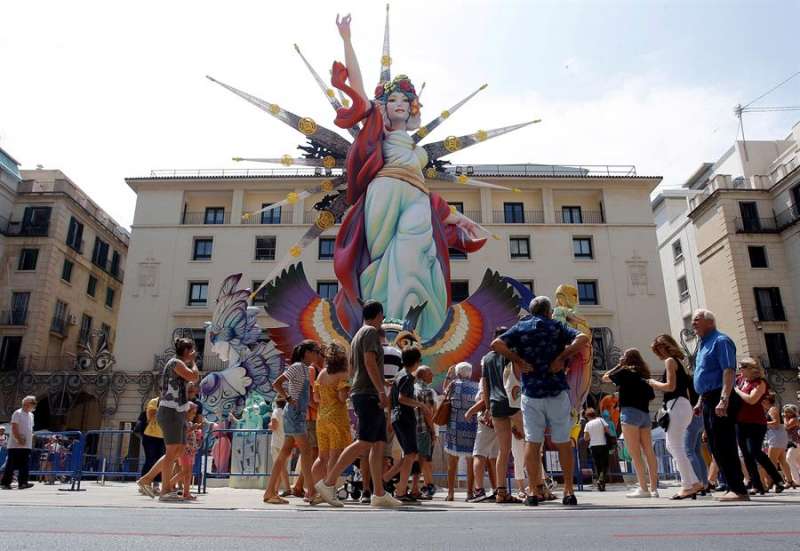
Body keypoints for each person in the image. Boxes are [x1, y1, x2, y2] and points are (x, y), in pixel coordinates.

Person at [491, 296, 590, 506]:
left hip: (531, 393)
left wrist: (518, 360)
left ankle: (533, 492)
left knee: (533, 442)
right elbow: (582, 338)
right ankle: (568, 491)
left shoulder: (520, 328)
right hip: (556, 390)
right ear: (548, 311)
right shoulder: (557, 327)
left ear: (531, 311)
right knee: (563, 441)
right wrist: (562, 357)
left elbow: (496, 344)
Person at [315, 300, 401, 508]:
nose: (382, 319)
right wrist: (381, 390)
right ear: (379, 314)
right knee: (364, 442)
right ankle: (328, 483)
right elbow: (370, 362)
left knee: (378, 444)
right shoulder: (370, 332)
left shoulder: (357, 335)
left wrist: (379, 384)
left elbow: (358, 367)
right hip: (368, 393)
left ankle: (379, 493)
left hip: (364, 391)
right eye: (382, 316)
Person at [691, 309, 748, 501]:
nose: (693, 323)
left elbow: (728, 370)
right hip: (708, 398)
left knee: (725, 444)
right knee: (715, 446)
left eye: (697, 319)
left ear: (710, 322)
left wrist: (724, 398)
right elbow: (705, 374)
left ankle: (738, 489)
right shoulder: (702, 344)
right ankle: (731, 485)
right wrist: (700, 400)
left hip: (720, 397)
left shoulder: (721, 341)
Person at [137, 338, 200, 501]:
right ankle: (164, 491)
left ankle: (146, 479)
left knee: (178, 451)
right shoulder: (175, 363)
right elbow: (194, 377)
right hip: (170, 411)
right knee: (172, 451)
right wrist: (193, 362)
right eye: (191, 350)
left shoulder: (180, 364)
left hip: (177, 411)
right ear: (186, 351)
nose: (193, 352)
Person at [263, 340, 321, 504]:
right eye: (316, 351)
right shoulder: (298, 367)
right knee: (306, 452)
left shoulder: (304, 369)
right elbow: (277, 383)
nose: (318, 355)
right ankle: (311, 492)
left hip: (297, 414)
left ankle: (270, 492)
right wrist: (288, 398)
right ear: (307, 353)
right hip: (295, 414)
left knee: (286, 453)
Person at [646, 334, 703, 499]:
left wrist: (653, 383)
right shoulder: (680, 362)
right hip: (684, 406)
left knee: (675, 447)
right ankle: (694, 482)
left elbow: (670, 387)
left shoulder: (670, 361)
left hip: (676, 406)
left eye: (658, 349)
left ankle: (687, 485)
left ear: (666, 346)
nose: (658, 353)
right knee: (674, 446)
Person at [603, 348, 659, 498]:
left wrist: (619, 365)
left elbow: (605, 377)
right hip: (644, 414)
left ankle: (643, 488)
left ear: (627, 359)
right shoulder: (644, 375)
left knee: (635, 453)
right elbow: (652, 396)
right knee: (649, 452)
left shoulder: (625, 372)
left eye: (623, 356)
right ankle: (654, 488)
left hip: (629, 413)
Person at [380, 347, 430, 501]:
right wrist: (421, 405)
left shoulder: (399, 374)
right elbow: (401, 398)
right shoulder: (408, 377)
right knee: (410, 454)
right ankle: (400, 490)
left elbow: (391, 397)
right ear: (416, 362)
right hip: (405, 418)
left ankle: (386, 479)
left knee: (409, 454)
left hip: (397, 417)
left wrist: (390, 418)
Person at [480, 326, 522, 503]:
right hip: (512, 403)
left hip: (495, 405)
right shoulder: (510, 355)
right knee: (532, 442)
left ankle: (501, 491)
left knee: (503, 450)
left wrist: (487, 408)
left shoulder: (487, 359)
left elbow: (485, 385)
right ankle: (537, 487)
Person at [734, 359, 783, 495]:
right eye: (739, 367)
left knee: (754, 451)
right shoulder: (740, 380)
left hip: (756, 423)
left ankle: (777, 478)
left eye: (742, 367)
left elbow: (752, 399)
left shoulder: (760, 383)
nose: (740, 369)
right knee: (746, 455)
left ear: (751, 369)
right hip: (740, 422)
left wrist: (737, 391)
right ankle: (756, 485)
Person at [312, 343, 352, 486]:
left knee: (322, 457)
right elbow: (342, 398)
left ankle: (312, 489)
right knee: (335, 455)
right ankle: (329, 487)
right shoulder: (343, 375)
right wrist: (348, 391)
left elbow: (316, 398)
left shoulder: (322, 373)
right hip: (337, 418)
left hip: (321, 417)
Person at [443, 362, 479, 501]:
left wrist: (448, 376)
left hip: (454, 426)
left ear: (458, 373)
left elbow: (445, 393)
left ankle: (451, 493)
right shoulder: (476, 386)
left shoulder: (453, 384)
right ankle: (469, 493)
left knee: (452, 461)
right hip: (471, 425)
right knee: (471, 460)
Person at [465, 388, 499, 502]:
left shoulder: (486, 379)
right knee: (494, 457)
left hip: (487, 420)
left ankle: (479, 490)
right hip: (500, 419)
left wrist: (470, 411)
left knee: (479, 454)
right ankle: (498, 489)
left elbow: (485, 400)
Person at [1, 396, 36, 490]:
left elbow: (30, 429)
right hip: (15, 444)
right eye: (32, 403)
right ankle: (5, 483)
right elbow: (14, 427)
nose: (34, 405)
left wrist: (31, 440)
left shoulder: (31, 415)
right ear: (26, 404)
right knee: (11, 464)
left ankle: (23, 483)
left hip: (26, 445)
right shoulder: (17, 413)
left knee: (25, 465)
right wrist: (19, 439)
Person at [413, 365, 437, 499]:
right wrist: (432, 431)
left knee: (411, 459)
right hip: (423, 429)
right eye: (430, 373)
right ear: (423, 375)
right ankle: (416, 488)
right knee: (422, 460)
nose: (433, 375)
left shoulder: (412, 388)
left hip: (411, 430)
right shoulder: (426, 391)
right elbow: (428, 413)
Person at [171, 402, 203, 500]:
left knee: (189, 472)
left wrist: (196, 432)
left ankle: (186, 492)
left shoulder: (189, 423)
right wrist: (192, 429)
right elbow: (182, 435)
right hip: (184, 450)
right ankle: (169, 484)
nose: (194, 415)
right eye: (192, 413)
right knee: (185, 471)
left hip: (191, 451)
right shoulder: (183, 423)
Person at [764, 393, 794, 488]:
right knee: (782, 461)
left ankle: (772, 483)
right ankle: (790, 481)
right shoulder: (772, 409)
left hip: (776, 437)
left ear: (767, 401)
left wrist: (763, 423)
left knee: (771, 462)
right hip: (779, 436)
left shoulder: (772, 409)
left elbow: (776, 423)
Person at [140, 395, 164, 495]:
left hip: (164, 437)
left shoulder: (173, 403)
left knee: (160, 461)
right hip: (150, 436)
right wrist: (163, 408)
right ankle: (145, 485)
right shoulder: (154, 402)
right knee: (150, 460)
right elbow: (150, 417)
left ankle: (156, 485)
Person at [583, 408, 611, 491]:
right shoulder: (601, 420)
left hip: (593, 446)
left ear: (588, 416)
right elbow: (607, 430)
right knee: (605, 464)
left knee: (598, 465)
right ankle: (601, 480)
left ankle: (600, 483)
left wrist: (592, 435)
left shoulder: (587, 424)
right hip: (603, 444)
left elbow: (585, 438)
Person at [268, 398, 290, 495]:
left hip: (277, 442)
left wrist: (269, 425)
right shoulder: (288, 412)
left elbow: (274, 426)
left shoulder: (276, 411)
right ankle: (275, 489)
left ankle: (287, 488)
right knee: (282, 467)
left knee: (279, 466)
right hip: (286, 441)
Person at [783, 404, 800, 484]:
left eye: (788, 412)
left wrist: (784, 418)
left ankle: (797, 481)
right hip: (794, 442)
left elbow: (787, 426)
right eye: (785, 412)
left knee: (789, 458)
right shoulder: (791, 419)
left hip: (796, 442)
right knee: (797, 461)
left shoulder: (794, 419)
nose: (786, 413)